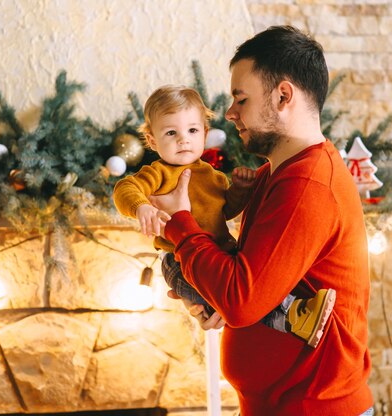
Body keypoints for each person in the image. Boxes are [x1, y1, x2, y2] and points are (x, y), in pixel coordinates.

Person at [148, 26, 374, 415]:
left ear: (283, 95)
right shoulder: (279, 172)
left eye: (241, 98)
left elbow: (242, 299)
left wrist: (180, 223)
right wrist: (207, 295)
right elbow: (255, 280)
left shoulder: (307, 185)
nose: (230, 113)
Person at [112, 85, 336, 348]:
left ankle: (292, 318)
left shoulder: (210, 174)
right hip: (178, 262)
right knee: (233, 298)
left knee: (247, 294)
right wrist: (141, 206)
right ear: (152, 141)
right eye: (171, 132)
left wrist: (240, 191)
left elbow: (225, 209)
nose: (183, 139)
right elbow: (124, 188)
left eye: (192, 131)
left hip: (216, 255)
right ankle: (295, 315)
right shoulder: (158, 172)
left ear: (205, 134)